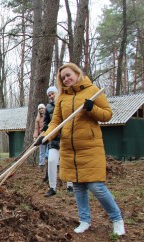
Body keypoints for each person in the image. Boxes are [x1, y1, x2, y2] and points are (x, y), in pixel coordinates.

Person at [35, 62, 125, 236]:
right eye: (63, 78)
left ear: (77, 73)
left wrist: (92, 108)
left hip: (90, 146)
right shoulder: (62, 97)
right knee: (77, 186)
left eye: (69, 75)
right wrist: (45, 136)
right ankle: (84, 220)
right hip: (69, 147)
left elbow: (107, 114)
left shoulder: (92, 91)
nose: (67, 79)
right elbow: (56, 121)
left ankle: (117, 219)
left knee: (96, 186)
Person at [33, 103, 46, 171]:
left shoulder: (48, 115)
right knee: (42, 151)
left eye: (42, 108)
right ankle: (41, 165)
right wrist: (35, 137)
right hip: (41, 136)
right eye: (39, 109)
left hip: (48, 134)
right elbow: (36, 128)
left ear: (45, 108)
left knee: (49, 150)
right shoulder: (38, 118)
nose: (41, 110)